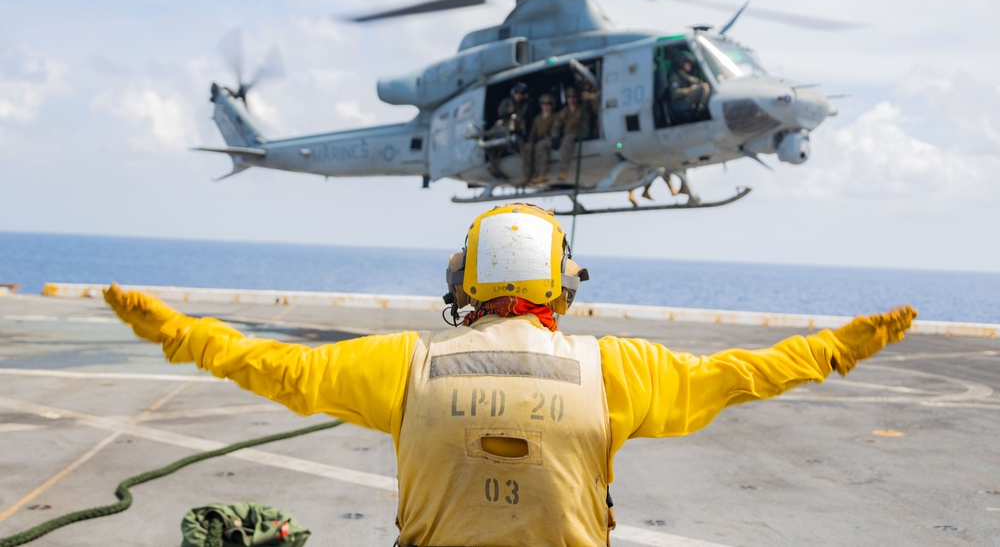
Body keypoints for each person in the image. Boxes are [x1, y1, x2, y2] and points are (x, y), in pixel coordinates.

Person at [105, 203, 916, 547]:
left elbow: (272, 365)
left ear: (464, 283)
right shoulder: (617, 369)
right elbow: (741, 374)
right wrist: (832, 348)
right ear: (563, 282)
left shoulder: (404, 363)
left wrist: (178, 332)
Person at [484, 83, 531, 177]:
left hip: (516, 131)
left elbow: (526, 119)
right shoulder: (507, 101)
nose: (518, 95)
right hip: (503, 128)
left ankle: (528, 170)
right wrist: (508, 111)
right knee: (490, 143)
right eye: (517, 93)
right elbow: (500, 111)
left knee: (523, 146)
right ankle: (493, 167)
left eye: (521, 94)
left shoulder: (525, 106)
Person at [521, 93, 557, 185]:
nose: (546, 106)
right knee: (528, 147)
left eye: (548, 104)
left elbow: (555, 131)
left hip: (549, 139)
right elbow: (533, 133)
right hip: (538, 139)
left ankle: (541, 174)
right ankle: (528, 175)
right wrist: (530, 141)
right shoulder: (537, 118)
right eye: (543, 104)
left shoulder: (555, 117)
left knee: (541, 147)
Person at [555, 87, 586, 181]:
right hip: (566, 134)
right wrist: (554, 137)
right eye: (569, 97)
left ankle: (564, 169)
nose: (571, 99)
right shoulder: (563, 112)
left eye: (574, 97)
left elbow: (586, 124)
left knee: (567, 141)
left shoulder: (582, 110)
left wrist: (585, 135)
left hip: (577, 134)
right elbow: (556, 125)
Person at [668, 52, 710, 118]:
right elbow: (674, 93)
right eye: (687, 62)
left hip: (687, 99)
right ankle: (701, 109)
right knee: (704, 87)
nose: (690, 64)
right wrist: (691, 88)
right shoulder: (675, 77)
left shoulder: (685, 75)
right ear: (681, 63)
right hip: (682, 101)